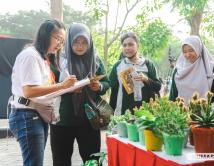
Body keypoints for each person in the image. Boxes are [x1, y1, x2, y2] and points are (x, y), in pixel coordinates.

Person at [8, 19, 77, 166]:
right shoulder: (31, 55)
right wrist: (62, 85)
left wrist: (66, 87)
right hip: (27, 114)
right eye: (58, 38)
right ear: (45, 35)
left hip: (36, 114)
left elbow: (42, 90)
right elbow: (29, 91)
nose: (60, 44)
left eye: (62, 41)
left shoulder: (41, 57)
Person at [50, 23, 110, 166]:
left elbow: (107, 82)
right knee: (61, 159)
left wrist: (98, 86)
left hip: (89, 120)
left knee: (92, 160)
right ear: (69, 41)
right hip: (62, 120)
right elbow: (48, 87)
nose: (80, 46)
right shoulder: (58, 60)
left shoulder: (95, 60)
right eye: (76, 42)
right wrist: (67, 89)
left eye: (84, 42)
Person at [109, 32, 161, 115]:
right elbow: (114, 90)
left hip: (145, 115)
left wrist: (146, 79)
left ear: (137, 46)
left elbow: (158, 86)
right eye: (124, 45)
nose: (127, 48)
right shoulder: (118, 66)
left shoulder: (148, 64)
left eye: (130, 44)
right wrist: (110, 113)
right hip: (124, 114)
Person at [169, 35, 214, 104]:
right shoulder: (178, 72)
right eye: (184, 52)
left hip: (207, 114)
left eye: (191, 50)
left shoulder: (213, 71)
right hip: (181, 114)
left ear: (199, 49)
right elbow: (172, 98)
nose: (188, 55)